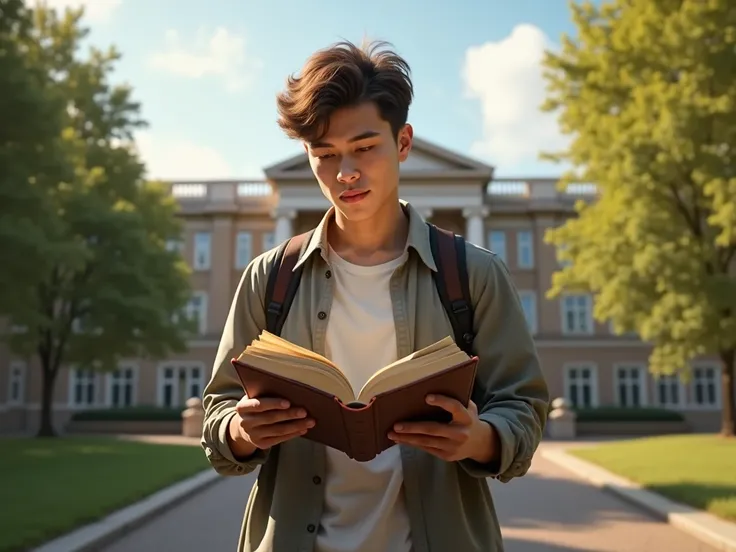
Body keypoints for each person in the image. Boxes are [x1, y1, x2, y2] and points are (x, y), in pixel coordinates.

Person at [201, 39, 549, 552]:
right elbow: (218, 414)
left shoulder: (474, 274)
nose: (345, 173)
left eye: (364, 148)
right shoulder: (269, 278)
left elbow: (524, 407)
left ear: (403, 142)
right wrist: (242, 430)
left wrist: (480, 438)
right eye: (324, 155)